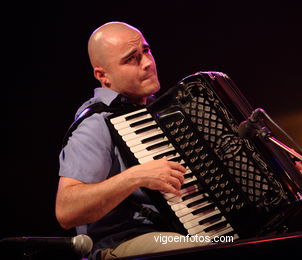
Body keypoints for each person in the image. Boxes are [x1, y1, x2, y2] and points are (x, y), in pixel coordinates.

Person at [55, 21, 209, 259]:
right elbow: (66, 210)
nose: (148, 64)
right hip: (123, 243)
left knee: (247, 241)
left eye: (146, 51)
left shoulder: (164, 113)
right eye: (131, 59)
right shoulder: (96, 123)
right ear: (102, 75)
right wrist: (137, 175)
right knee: (201, 249)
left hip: (182, 233)